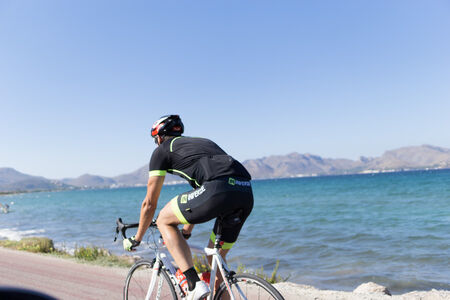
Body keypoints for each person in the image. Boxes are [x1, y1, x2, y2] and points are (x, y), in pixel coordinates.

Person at [123, 115, 253, 300]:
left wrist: (137, 238)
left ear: (159, 137)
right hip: (245, 191)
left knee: (163, 220)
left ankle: (193, 284)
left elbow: (149, 203)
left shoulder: (161, 151)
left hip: (217, 188)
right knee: (215, 259)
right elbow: (200, 194)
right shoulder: (201, 144)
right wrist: (185, 233)